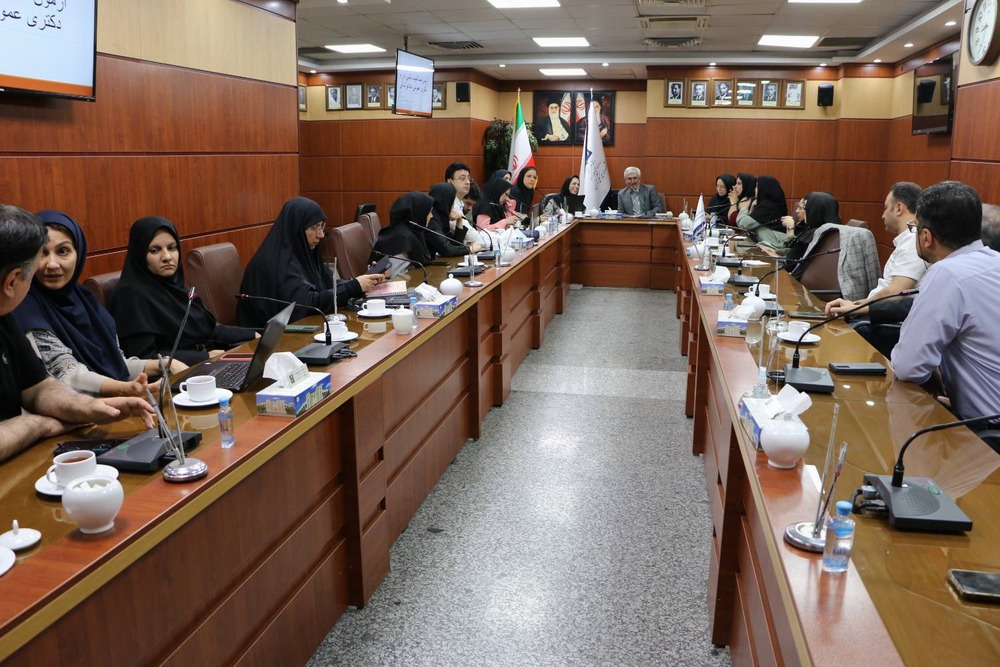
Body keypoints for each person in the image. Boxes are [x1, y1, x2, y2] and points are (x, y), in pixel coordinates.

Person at [0, 205, 154, 464]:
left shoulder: (4, 316)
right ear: (12, 281)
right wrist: (37, 424)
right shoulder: (20, 310)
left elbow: (38, 388)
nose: (49, 266)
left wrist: (89, 407)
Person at [14, 211, 185, 398]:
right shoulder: (24, 307)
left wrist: (164, 363)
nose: (52, 264)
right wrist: (125, 389)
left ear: (79, 253)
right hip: (76, 409)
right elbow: (66, 374)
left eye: (63, 251)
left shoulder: (84, 298)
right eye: (42, 253)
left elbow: (116, 362)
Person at [892, 181, 1000, 423]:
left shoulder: (947, 274)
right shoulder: (995, 260)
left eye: (914, 228)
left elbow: (909, 367)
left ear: (926, 237)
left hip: (985, 431)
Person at [111, 216, 257, 365]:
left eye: (172, 248)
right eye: (154, 250)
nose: (167, 257)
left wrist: (254, 335)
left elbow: (209, 330)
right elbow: (144, 357)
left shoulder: (175, 287)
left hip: (207, 363)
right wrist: (204, 357)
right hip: (174, 375)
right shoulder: (130, 296)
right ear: (139, 254)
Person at [238, 197, 384, 328]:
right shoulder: (276, 262)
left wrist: (362, 282)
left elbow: (327, 284)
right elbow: (306, 304)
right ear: (297, 228)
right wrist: (353, 287)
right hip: (269, 338)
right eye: (314, 228)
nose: (321, 234)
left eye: (321, 226)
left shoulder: (303, 251)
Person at [824, 183, 928, 318]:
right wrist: (853, 305)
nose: (883, 215)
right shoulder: (907, 241)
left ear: (899, 208)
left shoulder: (912, 242)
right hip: (874, 313)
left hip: (882, 321)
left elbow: (895, 293)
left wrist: (855, 308)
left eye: (886, 208)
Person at [370, 192, 439, 267]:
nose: (431, 216)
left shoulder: (415, 231)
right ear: (419, 211)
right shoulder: (400, 237)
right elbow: (397, 272)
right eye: (429, 212)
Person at [428, 183, 480, 256]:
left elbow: (455, 244)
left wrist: (459, 221)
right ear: (445, 202)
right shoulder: (431, 220)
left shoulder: (441, 219)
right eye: (452, 202)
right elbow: (447, 250)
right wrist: (470, 249)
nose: (454, 206)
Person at [736, 175, 789, 246]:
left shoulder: (769, 206)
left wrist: (744, 208)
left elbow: (743, 224)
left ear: (764, 188)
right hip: (769, 243)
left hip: (776, 244)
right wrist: (751, 208)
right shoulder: (771, 203)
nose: (755, 189)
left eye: (757, 186)